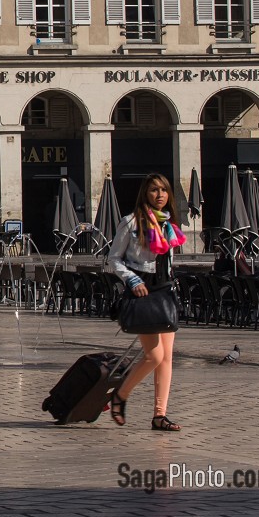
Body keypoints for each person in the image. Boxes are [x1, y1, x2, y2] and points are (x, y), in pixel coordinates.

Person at [106, 173, 187, 432]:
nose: (159, 195)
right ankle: (120, 394)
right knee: (154, 356)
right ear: (145, 193)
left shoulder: (169, 225)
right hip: (143, 291)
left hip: (164, 290)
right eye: (154, 190)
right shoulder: (130, 222)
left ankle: (159, 415)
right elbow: (113, 258)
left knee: (166, 359)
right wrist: (132, 281)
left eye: (163, 190)